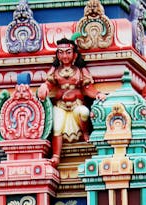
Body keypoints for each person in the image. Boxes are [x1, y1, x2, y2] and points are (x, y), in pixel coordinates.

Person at [37, 37, 105, 165]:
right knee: (57, 128)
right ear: (57, 54)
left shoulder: (79, 71)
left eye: (68, 52)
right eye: (61, 52)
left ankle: (85, 133)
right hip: (60, 106)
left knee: (84, 112)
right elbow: (48, 83)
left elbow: (88, 88)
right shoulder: (56, 71)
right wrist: (43, 88)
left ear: (74, 54)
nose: (64, 56)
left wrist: (98, 94)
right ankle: (56, 156)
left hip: (76, 105)